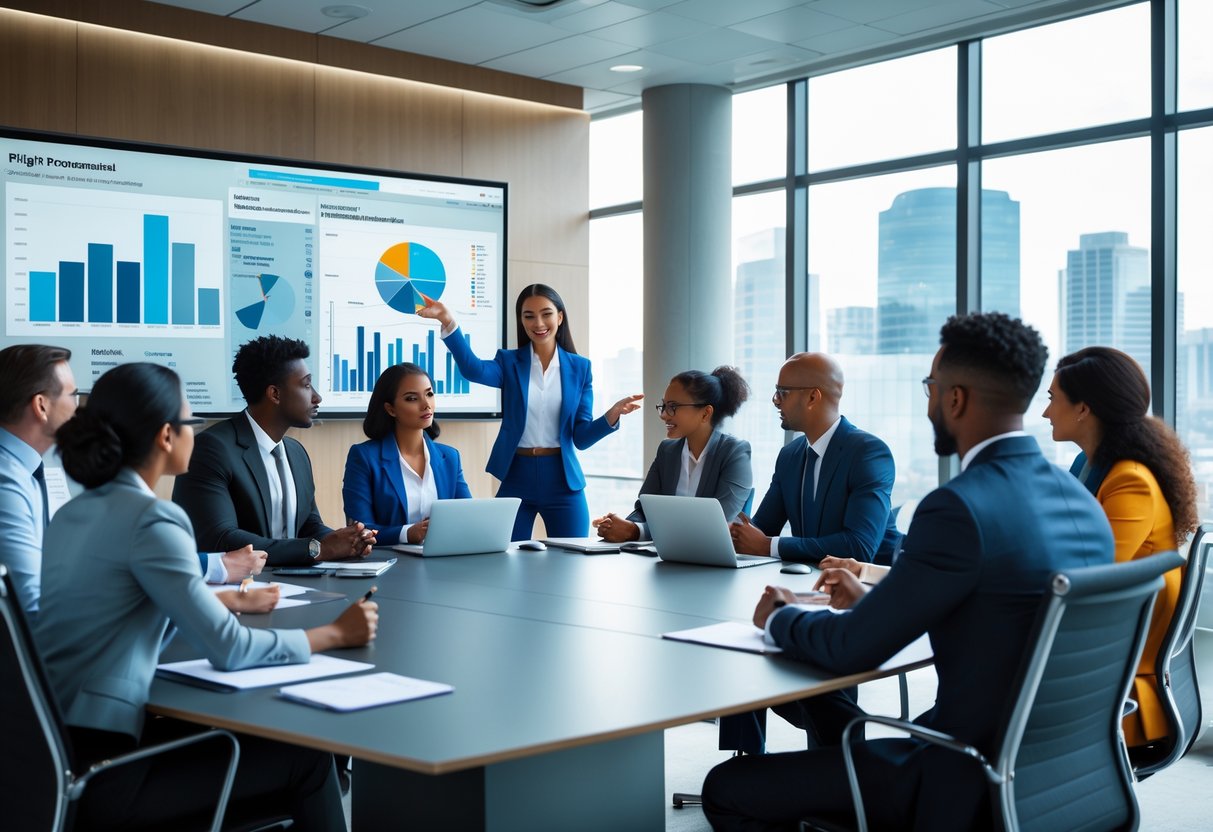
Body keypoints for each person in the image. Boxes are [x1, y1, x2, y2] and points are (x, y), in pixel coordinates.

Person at [702, 312, 1114, 832]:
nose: (929, 402)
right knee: (829, 723)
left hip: (961, 772)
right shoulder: (1080, 498)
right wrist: (882, 599)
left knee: (726, 788)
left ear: (955, 399)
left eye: (931, 387)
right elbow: (992, 598)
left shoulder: (959, 507)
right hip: (1063, 772)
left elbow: (853, 648)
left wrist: (780, 617)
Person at [34, 363, 378, 831]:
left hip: (54, 760)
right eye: (191, 422)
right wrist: (335, 632)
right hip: (113, 773)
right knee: (308, 757)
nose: (197, 433)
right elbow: (231, 651)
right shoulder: (152, 519)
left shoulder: (73, 512)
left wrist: (225, 601)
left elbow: (119, 602)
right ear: (165, 436)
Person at [1043, 345, 1199, 748]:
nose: (1045, 413)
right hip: (1101, 659)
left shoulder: (1130, 481)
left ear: (1083, 409)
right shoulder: (1088, 466)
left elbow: (1084, 584)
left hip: (1118, 690)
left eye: (1052, 400)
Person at [417, 284, 643, 540]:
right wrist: (447, 319)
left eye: (546, 314)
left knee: (573, 560)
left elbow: (581, 438)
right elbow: (473, 370)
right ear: (521, 321)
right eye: (529, 316)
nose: (538, 323)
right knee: (507, 560)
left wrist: (612, 414)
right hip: (517, 476)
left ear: (559, 317)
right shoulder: (509, 362)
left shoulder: (580, 368)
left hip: (563, 480)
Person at [173, 335, 376, 565]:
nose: (317, 397)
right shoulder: (211, 449)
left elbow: (309, 525)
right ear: (275, 394)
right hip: (239, 589)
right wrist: (317, 550)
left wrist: (347, 541)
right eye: (307, 385)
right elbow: (219, 538)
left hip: (296, 584)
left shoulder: (296, 452)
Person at [729, 352, 900, 564]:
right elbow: (763, 527)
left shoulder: (868, 453)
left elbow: (859, 546)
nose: (775, 401)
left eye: (782, 392)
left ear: (812, 397)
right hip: (809, 582)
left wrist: (768, 545)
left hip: (866, 588)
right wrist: (732, 533)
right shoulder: (789, 456)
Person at [593, 366, 751, 542]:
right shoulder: (667, 451)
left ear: (705, 413)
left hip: (712, 561)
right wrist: (621, 526)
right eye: (664, 406)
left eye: (673, 407)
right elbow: (645, 510)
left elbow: (715, 524)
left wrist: (635, 531)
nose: (664, 415)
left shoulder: (735, 453)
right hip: (666, 557)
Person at [344, 362, 473, 546]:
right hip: (390, 566)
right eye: (412, 398)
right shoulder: (364, 457)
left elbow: (469, 517)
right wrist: (408, 533)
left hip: (444, 561)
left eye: (429, 394)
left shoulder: (450, 457)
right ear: (391, 409)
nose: (426, 404)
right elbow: (359, 530)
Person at [0, 345, 78, 614]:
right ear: (41, 406)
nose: (77, 408)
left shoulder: (23, 471)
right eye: (73, 395)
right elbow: (32, 608)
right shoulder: (6, 482)